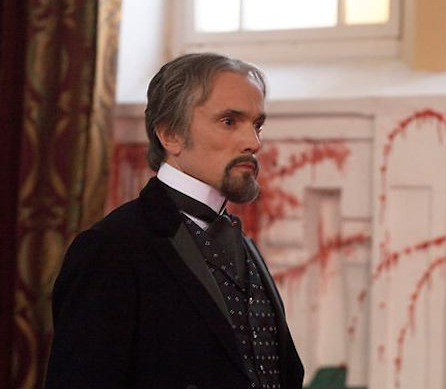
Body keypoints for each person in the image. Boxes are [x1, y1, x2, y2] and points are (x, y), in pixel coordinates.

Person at [45, 53, 304, 389]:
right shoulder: (110, 249)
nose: (253, 142)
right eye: (229, 121)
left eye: (257, 125)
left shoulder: (245, 247)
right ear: (170, 135)